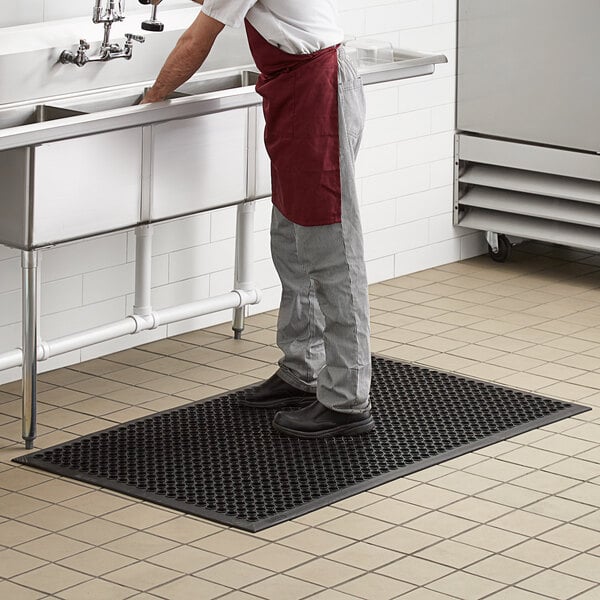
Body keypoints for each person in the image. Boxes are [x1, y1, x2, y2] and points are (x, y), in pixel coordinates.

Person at [142, 0, 373, 438]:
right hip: (295, 91)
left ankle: (347, 401)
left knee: (331, 250)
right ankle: (302, 371)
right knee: (291, 241)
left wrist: (153, 98)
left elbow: (197, 38)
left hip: (318, 92)